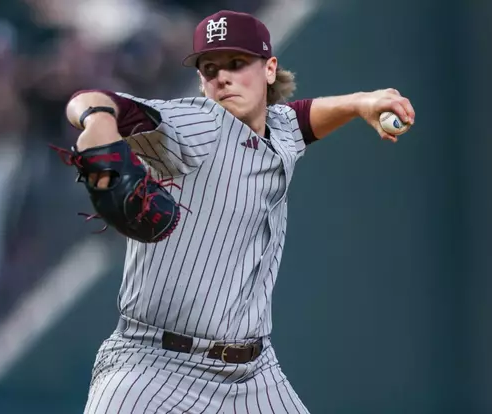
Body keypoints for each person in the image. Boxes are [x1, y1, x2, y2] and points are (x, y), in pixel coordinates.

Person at [63, 10, 415, 413]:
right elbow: (90, 101)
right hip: (153, 367)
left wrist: (359, 103)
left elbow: (302, 119)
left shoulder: (279, 129)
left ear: (269, 69)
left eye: (236, 63)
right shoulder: (199, 122)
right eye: (209, 68)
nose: (222, 77)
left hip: (253, 375)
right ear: (200, 80)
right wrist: (98, 122)